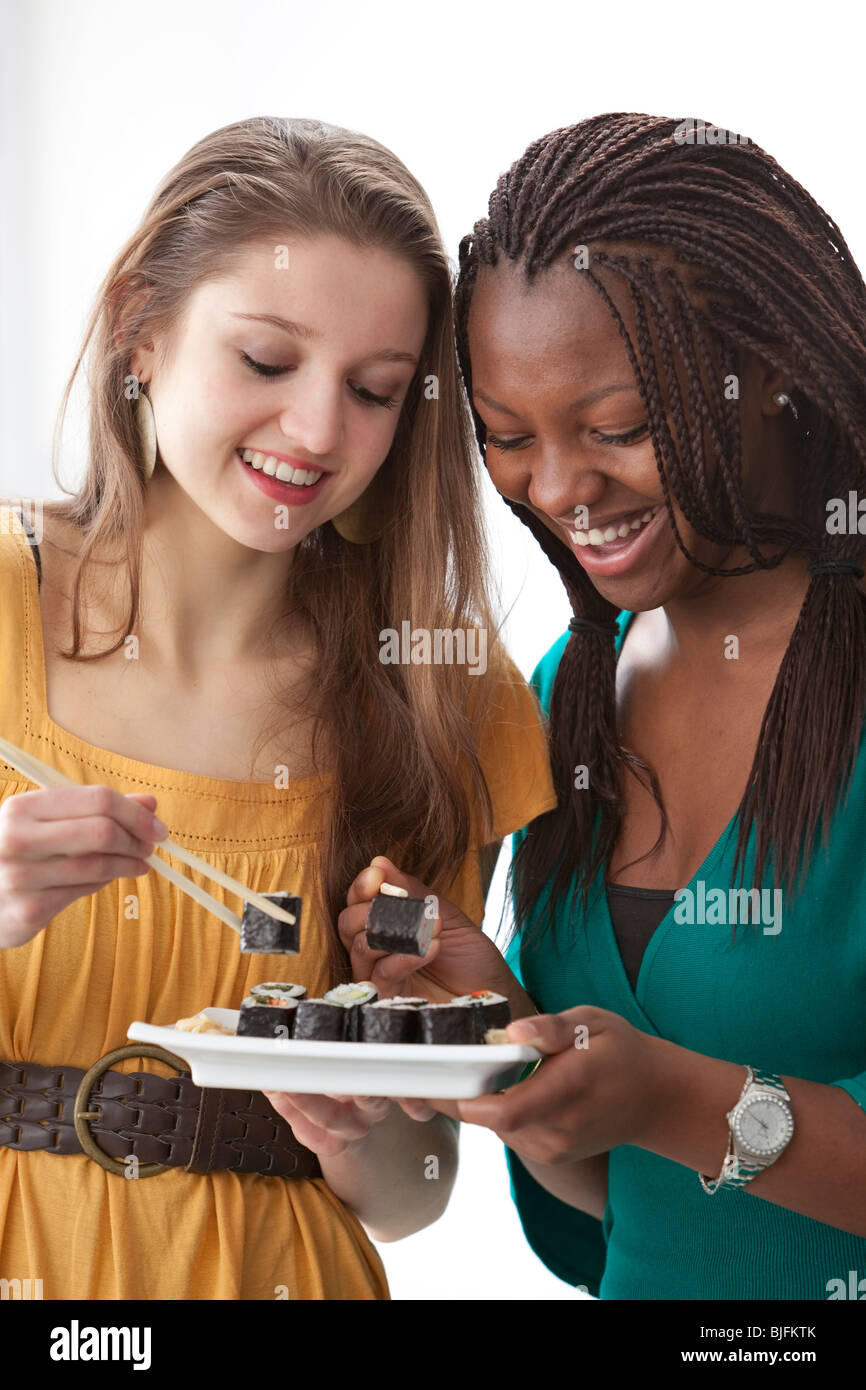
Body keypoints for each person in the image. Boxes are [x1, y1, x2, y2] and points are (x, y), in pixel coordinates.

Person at [0, 116, 555, 1300]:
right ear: (138, 329)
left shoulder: (443, 693)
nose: (316, 434)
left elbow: (413, 1192)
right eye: (266, 362)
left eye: (373, 391)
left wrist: (350, 1123)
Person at [341, 114, 866, 1299]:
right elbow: (609, 1195)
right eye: (509, 437)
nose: (563, 489)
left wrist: (680, 1094)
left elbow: (684, 1121)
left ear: (773, 367)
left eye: (618, 427)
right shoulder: (566, 694)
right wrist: (504, 1034)